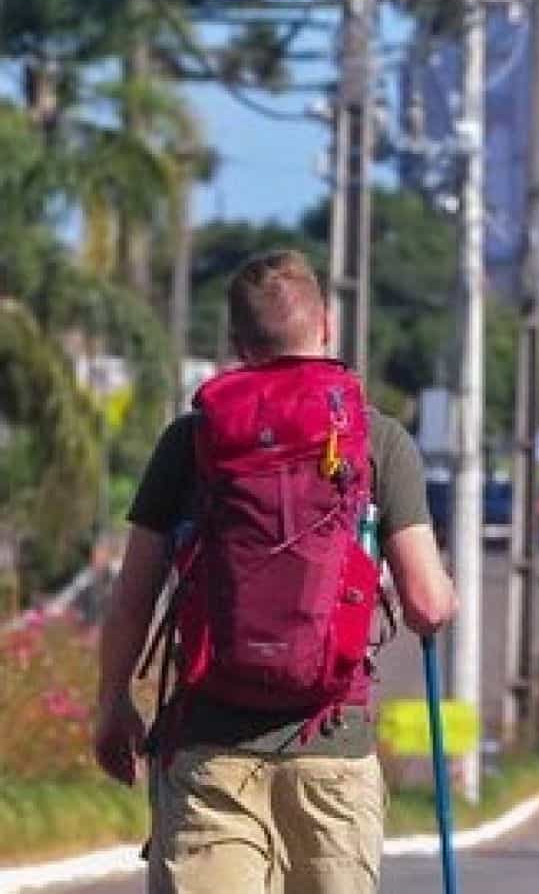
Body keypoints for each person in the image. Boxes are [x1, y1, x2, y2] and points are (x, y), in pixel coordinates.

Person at [93, 249, 457, 894]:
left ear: (236, 343)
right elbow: (426, 603)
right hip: (332, 750)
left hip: (209, 747)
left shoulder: (193, 440)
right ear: (327, 326)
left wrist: (113, 702)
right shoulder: (378, 441)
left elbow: (132, 599)